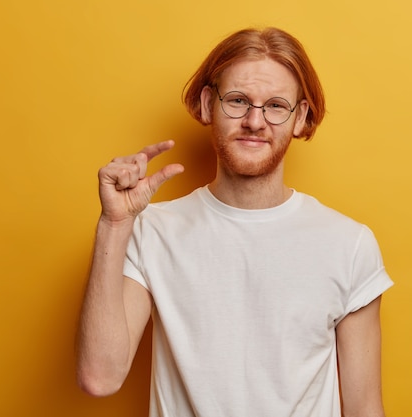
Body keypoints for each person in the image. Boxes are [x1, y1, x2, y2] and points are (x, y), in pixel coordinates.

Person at [76, 27, 393, 417]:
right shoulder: (150, 230)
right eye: (238, 100)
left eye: (276, 105)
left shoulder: (349, 244)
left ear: (300, 118)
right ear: (208, 105)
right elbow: (100, 377)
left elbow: (364, 408)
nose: (255, 121)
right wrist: (114, 224)